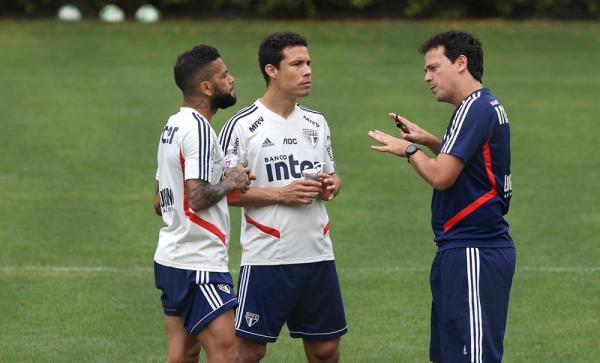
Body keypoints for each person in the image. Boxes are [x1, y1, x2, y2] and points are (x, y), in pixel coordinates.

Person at [368, 30, 515, 363]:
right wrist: (432, 142)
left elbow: (441, 176)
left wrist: (407, 149)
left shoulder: (473, 109)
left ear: (461, 63)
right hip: (464, 249)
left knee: (472, 357)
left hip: (474, 250)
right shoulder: (482, 105)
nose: (427, 77)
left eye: (433, 68)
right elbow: (474, 167)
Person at [218, 31, 347, 363]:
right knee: (248, 351)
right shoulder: (242, 125)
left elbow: (330, 174)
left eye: (309, 63)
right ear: (271, 70)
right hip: (268, 258)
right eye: (297, 64)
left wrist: (331, 185)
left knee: (325, 350)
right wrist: (281, 194)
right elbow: (226, 194)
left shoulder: (317, 123)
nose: (307, 71)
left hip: (317, 254)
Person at [153, 44, 252, 363]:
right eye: (225, 75)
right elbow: (196, 197)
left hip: (172, 258)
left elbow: (159, 201)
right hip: (199, 264)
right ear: (206, 87)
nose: (232, 79)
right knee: (229, 354)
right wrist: (233, 181)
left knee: (183, 355)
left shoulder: (172, 125)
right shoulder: (199, 129)